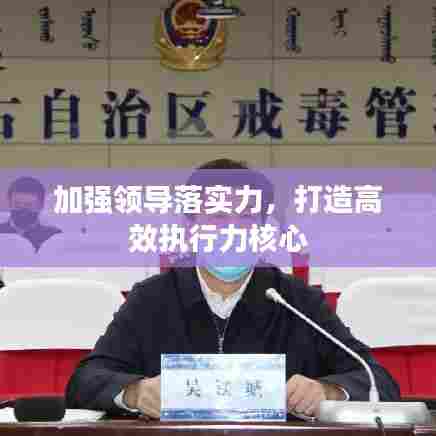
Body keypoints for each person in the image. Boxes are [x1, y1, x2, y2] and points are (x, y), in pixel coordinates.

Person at [65, 159, 400, 418]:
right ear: (191, 226)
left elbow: (379, 381)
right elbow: (84, 381)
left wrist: (328, 392)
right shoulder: (153, 298)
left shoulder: (297, 300)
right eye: (218, 216)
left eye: (246, 217)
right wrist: (135, 392)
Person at [0, 177, 61, 252]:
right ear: (9, 203)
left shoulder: (54, 237)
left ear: (41, 205)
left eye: (29, 205)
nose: (22, 210)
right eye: (17, 205)